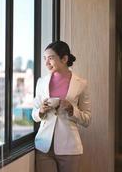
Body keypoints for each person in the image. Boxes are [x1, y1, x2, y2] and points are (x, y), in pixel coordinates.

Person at [32, 41, 91, 172]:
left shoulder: (81, 84)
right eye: (44, 59)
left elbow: (87, 119)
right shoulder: (41, 82)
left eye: (50, 58)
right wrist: (40, 111)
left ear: (64, 59)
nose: (46, 63)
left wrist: (72, 110)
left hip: (69, 148)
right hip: (44, 147)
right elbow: (34, 115)